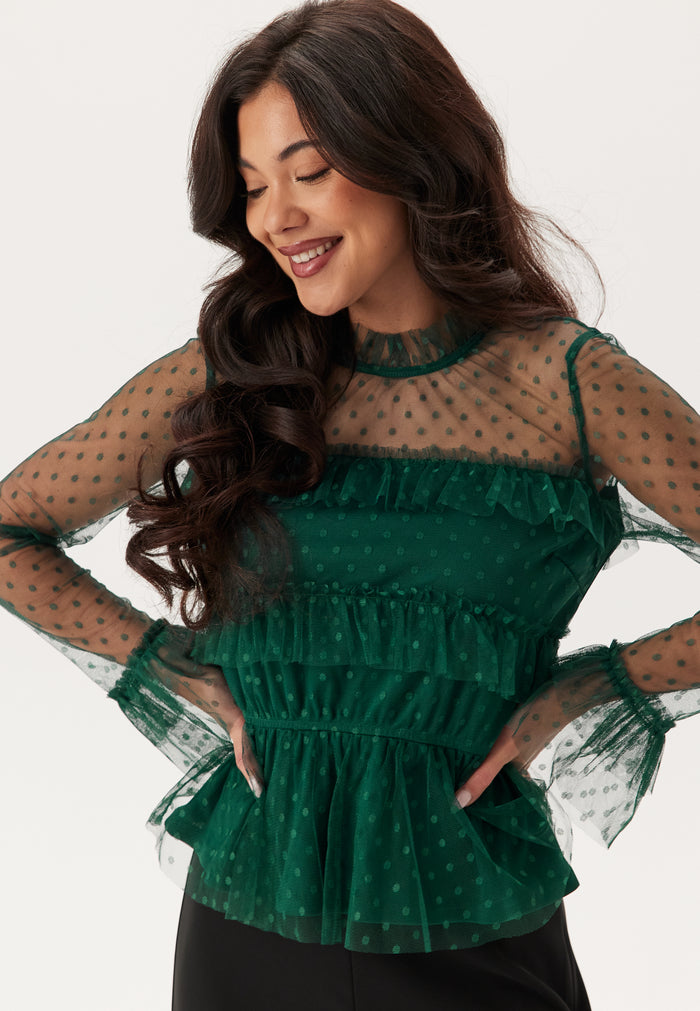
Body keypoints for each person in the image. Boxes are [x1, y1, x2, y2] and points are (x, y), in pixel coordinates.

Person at [1, 0, 698, 1008]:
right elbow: (11, 527)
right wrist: (170, 665)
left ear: (411, 157)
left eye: (310, 171)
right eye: (253, 186)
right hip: (250, 921)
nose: (275, 217)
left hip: (471, 922)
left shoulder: (567, 384)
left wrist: (594, 685)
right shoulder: (235, 376)